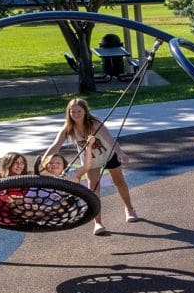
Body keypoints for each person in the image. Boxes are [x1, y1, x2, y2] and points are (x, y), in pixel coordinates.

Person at [45, 95, 140, 235]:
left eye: (79, 111)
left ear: (85, 111)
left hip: (108, 155)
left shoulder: (94, 123)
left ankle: (129, 209)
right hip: (90, 161)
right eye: (73, 112)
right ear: (69, 113)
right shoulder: (68, 128)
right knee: (93, 189)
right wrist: (44, 160)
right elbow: (56, 145)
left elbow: (109, 138)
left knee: (118, 181)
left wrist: (120, 153)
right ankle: (98, 222)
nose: (76, 114)